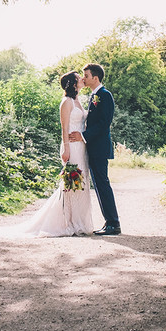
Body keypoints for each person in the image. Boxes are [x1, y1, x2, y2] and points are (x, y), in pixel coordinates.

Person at [0, 71, 93, 239]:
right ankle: (68, 222)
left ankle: (79, 222)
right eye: (79, 78)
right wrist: (66, 149)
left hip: (81, 147)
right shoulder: (66, 102)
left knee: (81, 184)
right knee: (71, 184)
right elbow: (64, 128)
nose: (82, 79)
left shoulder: (78, 100)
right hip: (71, 147)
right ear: (73, 83)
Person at [70, 62, 120, 236]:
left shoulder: (104, 95)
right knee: (99, 185)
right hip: (93, 147)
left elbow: (103, 124)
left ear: (95, 78)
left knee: (102, 184)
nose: (84, 78)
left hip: (99, 148)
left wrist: (83, 136)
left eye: (86, 75)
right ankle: (110, 222)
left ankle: (113, 223)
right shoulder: (94, 95)